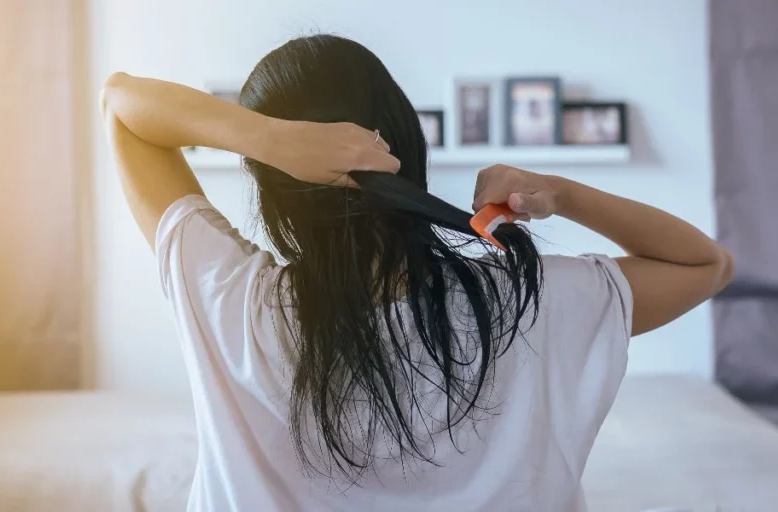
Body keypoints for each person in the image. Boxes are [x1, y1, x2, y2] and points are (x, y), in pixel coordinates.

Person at [100, 34, 733, 512]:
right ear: (409, 145)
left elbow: (122, 102)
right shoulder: (525, 303)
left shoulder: (230, 300)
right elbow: (707, 264)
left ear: (272, 187)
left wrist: (268, 138)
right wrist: (560, 193)